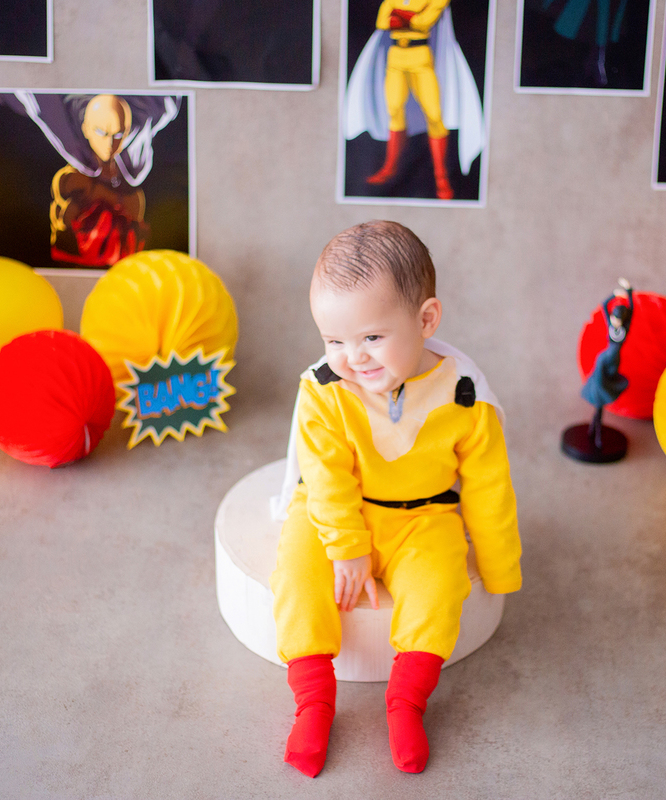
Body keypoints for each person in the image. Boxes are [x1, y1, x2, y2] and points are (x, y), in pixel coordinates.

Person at [270, 220, 522, 777]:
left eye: (371, 338)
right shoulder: (325, 389)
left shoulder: (464, 395)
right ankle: (313, 703)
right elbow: (325, 475)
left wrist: (500, 565)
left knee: (438, 585)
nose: (352, 358)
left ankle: (406, 702)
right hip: (334, 511)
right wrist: (346, 547)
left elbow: (488, 483)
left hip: (423, 514)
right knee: (297, 573)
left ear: (426, 320)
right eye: (334, 340)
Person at [366, 0, 455, 199]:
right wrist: (410, 17)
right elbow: (382, 22)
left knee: (434, 114)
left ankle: (441, 177)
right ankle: (390, 168)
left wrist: (400, 16)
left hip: (420, 57)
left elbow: (423, 23)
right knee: (394, 110)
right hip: (396, 57)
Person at [49, 95, 150, 267]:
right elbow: (62, 240)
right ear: (86, 129)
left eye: (118, 134)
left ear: (127, 133)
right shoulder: (73, 181)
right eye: (101, 132)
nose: (110, 142)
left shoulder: (133, 194)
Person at [580, 279, 633, 449]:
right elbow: (604, 305)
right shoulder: (610, 324)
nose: (615, 321)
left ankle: (594, 430)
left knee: (604, 395)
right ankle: (596, 434)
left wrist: (629, 291)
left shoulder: (624, 329)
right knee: (599, 395)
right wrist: (615, 295)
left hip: (614, 361)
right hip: (604, 359)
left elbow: (632, 309)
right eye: (613, 318)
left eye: (618, 319)